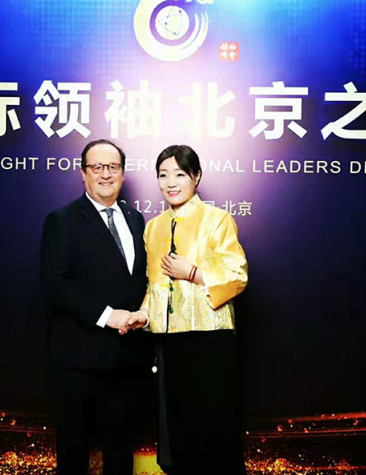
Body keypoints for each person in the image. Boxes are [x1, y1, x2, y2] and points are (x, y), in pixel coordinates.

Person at [130, 144, 248, 474]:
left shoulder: (217, 219)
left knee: (214, 426)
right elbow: (153, 285)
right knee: (176, 427)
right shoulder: (153, 227)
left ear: (196, 177)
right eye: (163, 175)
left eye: (180, 174)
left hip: (210, 339)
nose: (171, 183)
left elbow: (238, 275)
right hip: (168, 342)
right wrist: (143, 314)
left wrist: (193, 272)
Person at [40, 139, 149, 475]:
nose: (105, 174)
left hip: (126, 359)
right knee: (74, 449)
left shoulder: (135, 219)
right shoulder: (62, 220)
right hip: (79, 360)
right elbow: (56, 285)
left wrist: (143, 313)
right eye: (97, 167)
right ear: (83, 173)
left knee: (121, 449)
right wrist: (107, 316)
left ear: (123, 173)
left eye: (113, 167)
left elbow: (139, 280)